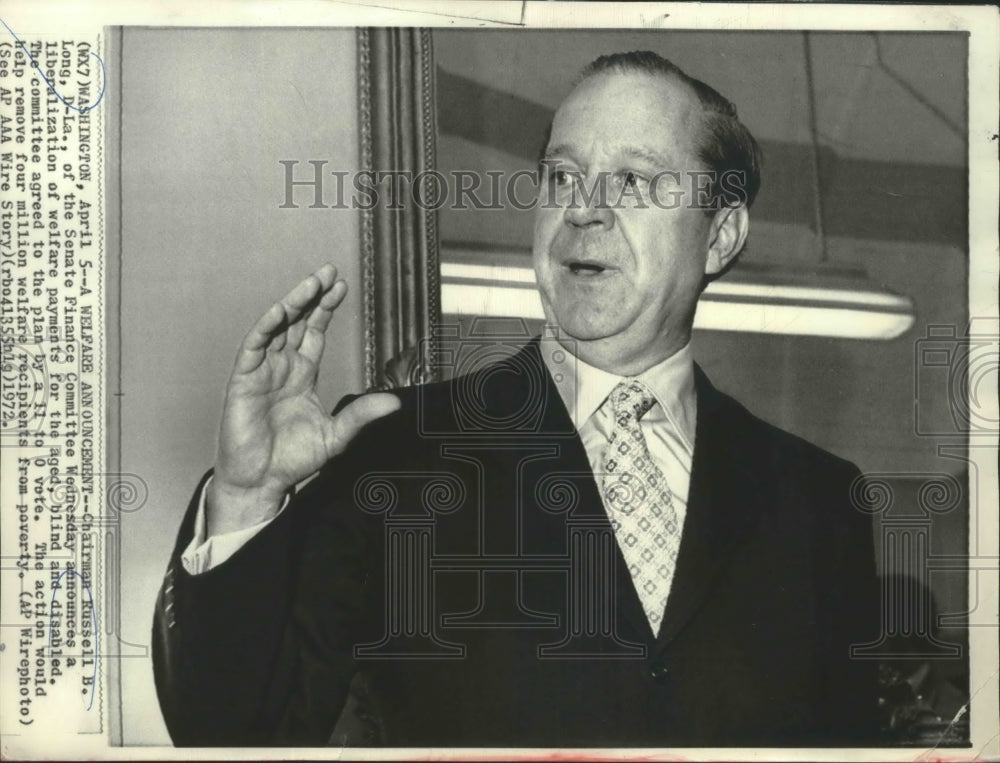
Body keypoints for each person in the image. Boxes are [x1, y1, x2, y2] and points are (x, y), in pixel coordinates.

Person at [153, 51, 879, 747]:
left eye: (632, 180)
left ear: (720, 235)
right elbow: (232, 734)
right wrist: (246, 498)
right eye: (563, 177)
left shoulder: (817, 499)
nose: (583, 211)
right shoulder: (396, 453)